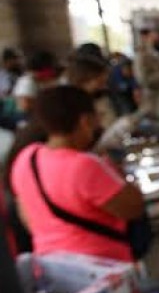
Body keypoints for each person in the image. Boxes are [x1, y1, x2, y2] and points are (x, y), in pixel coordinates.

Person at [10, 86, 144, 262]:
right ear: (85, 121)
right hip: (102, 268)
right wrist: (118, 173)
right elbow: (133, 207)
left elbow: (27, 217)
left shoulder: (26, 158)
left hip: (51, 268)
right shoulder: (85, 165)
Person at [12, 50, 59, 118]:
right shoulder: (27, 82)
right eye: (52, 68)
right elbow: (24, 107)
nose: (53, 71)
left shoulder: (39, 80)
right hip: (25, 118)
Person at [134, 30, 159, 119]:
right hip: (152, 102)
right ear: (145, 37)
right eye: (153, 37)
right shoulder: (141, 56)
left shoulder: (155, 54)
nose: (156, 39)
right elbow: (143, 80)